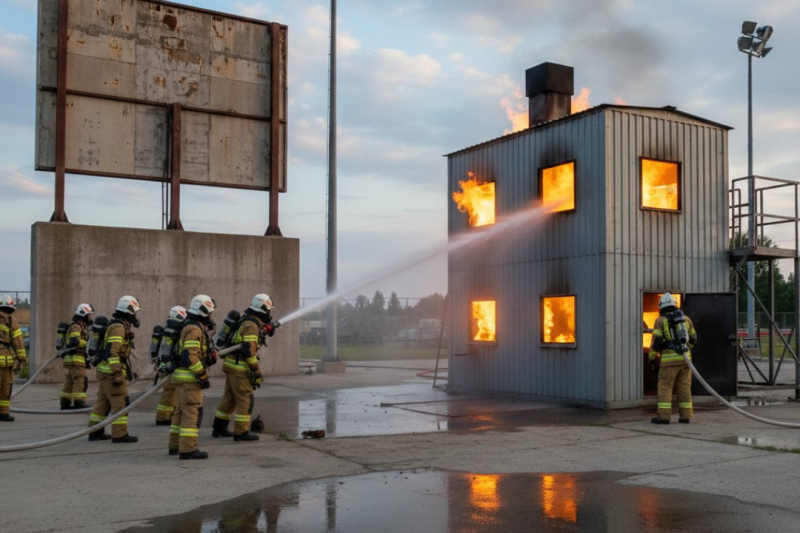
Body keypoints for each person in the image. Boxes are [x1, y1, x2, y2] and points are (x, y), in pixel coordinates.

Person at [212, 293, 280, 442]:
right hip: (240, 367)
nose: (269, 314)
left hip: (231, 364)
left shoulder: (248, 320)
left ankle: (219, 428)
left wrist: (266, 329)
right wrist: (256, 370)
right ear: (263, 309)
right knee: (245, 400)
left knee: (229, 398)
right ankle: (241, 432)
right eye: (268, 310)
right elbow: (248, 351)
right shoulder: (251, 325)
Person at [87, 295, 141, 443]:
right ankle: (120, 434)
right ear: (129, 311)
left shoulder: (116, 325)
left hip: (104, 370)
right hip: (112, 371)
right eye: (134, 312)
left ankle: (95, 431)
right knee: (120, 403)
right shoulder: (118, 327)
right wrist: (117, 372)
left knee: (102, 403)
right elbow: (113, 351)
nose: (135, 316)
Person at [169, 295, 215, 459]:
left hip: (182, 378)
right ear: (203, 311)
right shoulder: (195, 329)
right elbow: (191, 356)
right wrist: (202, 375)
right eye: (210, 313)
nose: (211, 317)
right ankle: (188, 449)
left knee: (180, 413)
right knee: (191, 413)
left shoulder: (190, 326)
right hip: (189, 379)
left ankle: (174, 446)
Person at [648, 293, 697, 425]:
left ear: (661, 306)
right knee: (684, 388)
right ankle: (685, 416)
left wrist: (652, 358)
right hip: (685, 361)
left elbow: (656, 342)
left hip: (668, 362)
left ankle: (664, 417)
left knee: (665, 387)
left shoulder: (660, 321)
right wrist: (686, 348)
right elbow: (693, 339)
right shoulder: (686, 319)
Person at [153, 305, 188, 425]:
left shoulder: (168, 328)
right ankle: (162, 417)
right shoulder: (174, 329)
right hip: (169, 365)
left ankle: (168, 414)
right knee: (169, 392)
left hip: (164, 364)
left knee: (171, 392)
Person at [60, 303, 94, 410]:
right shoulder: (76, 326)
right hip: (76, 359)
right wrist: (87, 342)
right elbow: (74, 341)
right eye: (89, 315)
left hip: (72, 359)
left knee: (69, 381)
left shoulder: (79, 325)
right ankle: (79, 403)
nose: (90, 317)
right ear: (83, 314)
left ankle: (65, 402)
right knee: (80, 381)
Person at [0, 294, 28, 422]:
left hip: (6, 360)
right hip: (6, 360)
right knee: (6, 386)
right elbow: (18, 342)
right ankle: (4, 413)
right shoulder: (12, 321)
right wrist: (22, 359)